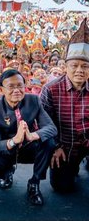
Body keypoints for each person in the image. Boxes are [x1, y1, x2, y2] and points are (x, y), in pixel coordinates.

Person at [0, 69, 57, 205]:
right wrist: (14, 140)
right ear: (1, 90)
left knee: (49, 143)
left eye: (20, 86)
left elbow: (51, 128)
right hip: (8, 149)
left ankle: (34, 183)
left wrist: (32, 136)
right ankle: (6, 174)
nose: (17, 90)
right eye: (11, 87)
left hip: (28, 147)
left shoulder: (34, 100)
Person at [40, 19, 89, 193]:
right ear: (65, 66)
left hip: (87, 143)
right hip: (63, 145)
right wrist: (55, 146)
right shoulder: (50, 89)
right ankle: (72, 166)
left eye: (85, 66)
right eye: (74, 65)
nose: (79, 70)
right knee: (62, 187)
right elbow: (43, 123)